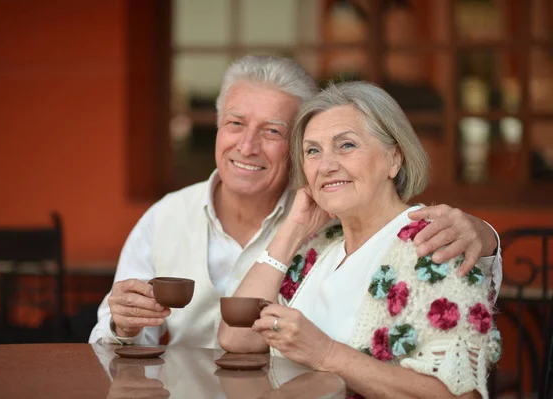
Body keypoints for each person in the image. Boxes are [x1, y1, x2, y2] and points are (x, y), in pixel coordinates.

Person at [89, 55, 502, 350]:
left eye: (272, 131)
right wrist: (122, 324)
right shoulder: (165, 217)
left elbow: (413, 238)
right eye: (235, 124)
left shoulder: (329, 220)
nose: (247, 146)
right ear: (217, 129)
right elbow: (114, 336)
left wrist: (486, 235)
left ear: (293, 147)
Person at [218, 81, 501, 398]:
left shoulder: (434, 244)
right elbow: (237, 337)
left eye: (346, 146)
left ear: (394, 159)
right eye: (313, 151)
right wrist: (292, 231)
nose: (326, 165)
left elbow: (459, 395)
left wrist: (326, 354)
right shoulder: (317, 248)